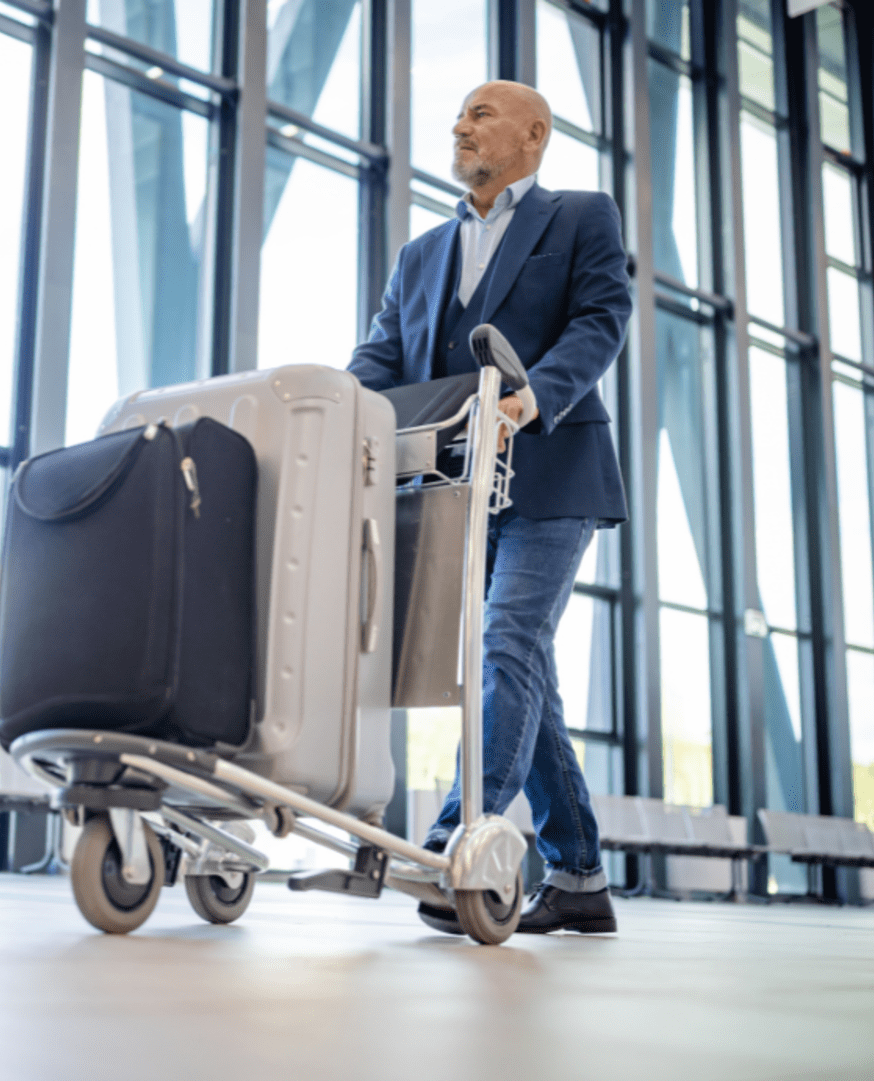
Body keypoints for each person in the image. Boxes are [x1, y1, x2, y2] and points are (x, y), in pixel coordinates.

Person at [348, 81, 631, 935]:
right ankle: (578, 876)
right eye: (461, 114)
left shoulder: (580, 216)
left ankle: (453, 844)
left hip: (552, 471)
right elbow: (382, 354)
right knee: (524, 661)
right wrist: (334, 413)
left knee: (503, 642)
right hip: (456, 487)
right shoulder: (422, 253)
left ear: (534, 134)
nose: (459, 124)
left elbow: (600, 318)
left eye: (480, 113)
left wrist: (527, 399)